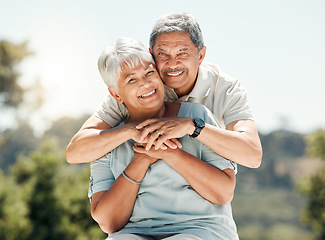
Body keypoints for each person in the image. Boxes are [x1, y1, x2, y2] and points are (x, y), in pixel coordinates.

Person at [66, 12, 262, 168]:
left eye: (182, 53)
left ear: (200, 55)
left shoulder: (227, 89)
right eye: (163, 54)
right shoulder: (141, 89)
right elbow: (75, 152)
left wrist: (193, 126)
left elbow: (252, 156)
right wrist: (128, 130)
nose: (172, 64)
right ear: (151, 55)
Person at [89, 37, 239, 240]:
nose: (145, 83)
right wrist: (141, 160)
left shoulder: (196, 117)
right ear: (116, 94)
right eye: (132, 79)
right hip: (134, 234)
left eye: (149, 72)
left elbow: (223, 193)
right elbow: (109, 222)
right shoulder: (107, 140)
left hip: (200, 231)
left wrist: (170, 153)